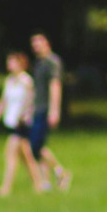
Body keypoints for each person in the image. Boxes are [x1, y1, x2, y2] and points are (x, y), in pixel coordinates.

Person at [0, 52, 41, 197]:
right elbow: (4, 101)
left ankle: (6, 188)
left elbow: (31, 100)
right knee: (26, 156)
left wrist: (23, 115)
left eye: (12, 62)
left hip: (21, 123)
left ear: (20, 63)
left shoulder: (26, 81)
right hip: (11, 121)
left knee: (10, 154)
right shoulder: (9, 81)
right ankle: (38, 184)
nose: (9, 64)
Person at [27, 33, 73, 190]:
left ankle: (61, 172)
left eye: (39, 42)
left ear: (47, 43)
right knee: (38, 146)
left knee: (35, 146)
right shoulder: (39, 63)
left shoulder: (53, 62)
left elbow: (55, 86)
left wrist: (54, 111)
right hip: (37, 108)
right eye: (34, 44)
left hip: (46, 109)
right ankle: (46, 181)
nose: (36, 46)